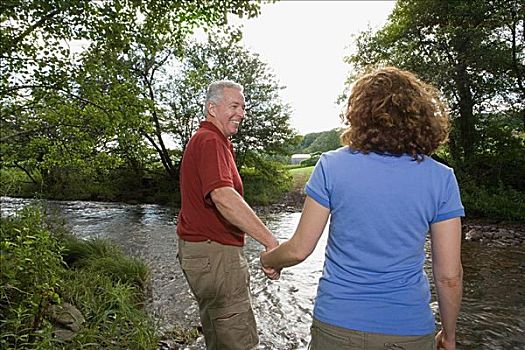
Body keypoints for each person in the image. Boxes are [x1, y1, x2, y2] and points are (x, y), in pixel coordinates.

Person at [261, 67, 464, 350]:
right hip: (408, 329)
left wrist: (270, 261)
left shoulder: (331, 166)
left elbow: (299, 249)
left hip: (337, 325)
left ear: (359, 114)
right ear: (418, 117)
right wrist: (449, 336)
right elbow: (449, 276)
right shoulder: (441, 178)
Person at [177, 80, 279, 350]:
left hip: (203, 255)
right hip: (216, 256)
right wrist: (270, 242)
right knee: (237, 340)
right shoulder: (210, 141)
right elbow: (223, 196)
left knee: (219, 335)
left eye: (243, 107)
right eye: (234, 106)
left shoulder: (207, 140)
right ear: (212, 108)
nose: (241, 113)